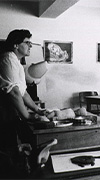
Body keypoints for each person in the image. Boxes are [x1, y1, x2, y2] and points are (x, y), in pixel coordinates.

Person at [0, 29, 53, 178]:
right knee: (8, 153)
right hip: (4, 111)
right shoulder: (7, 59)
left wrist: (37, 110)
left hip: (11, 111)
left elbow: (23, 92)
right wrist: (27, 116)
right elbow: (13, 92)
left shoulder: (15, 61)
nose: (30, 46)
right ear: (16, 45)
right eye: (27, 43)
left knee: (15, 151)